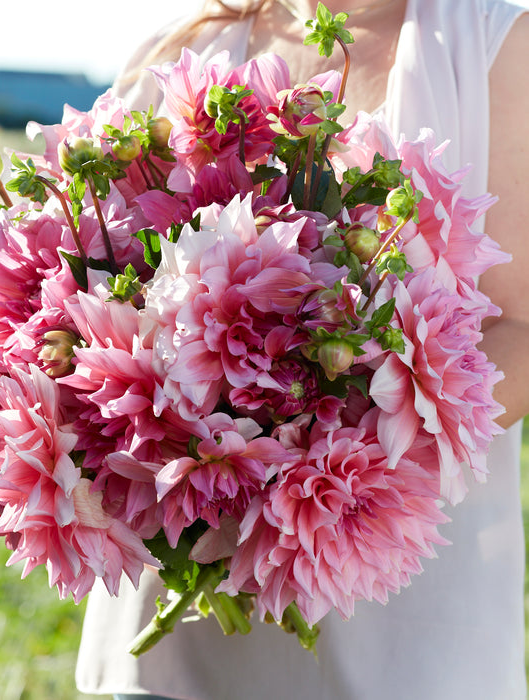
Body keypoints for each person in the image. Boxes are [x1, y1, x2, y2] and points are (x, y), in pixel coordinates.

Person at [75, 1, 529, 698]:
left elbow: (523, 327)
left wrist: (336, 467)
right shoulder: (181, 53)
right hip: (182, 567)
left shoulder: (496, 43)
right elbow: (88, 280)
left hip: (394, 604)